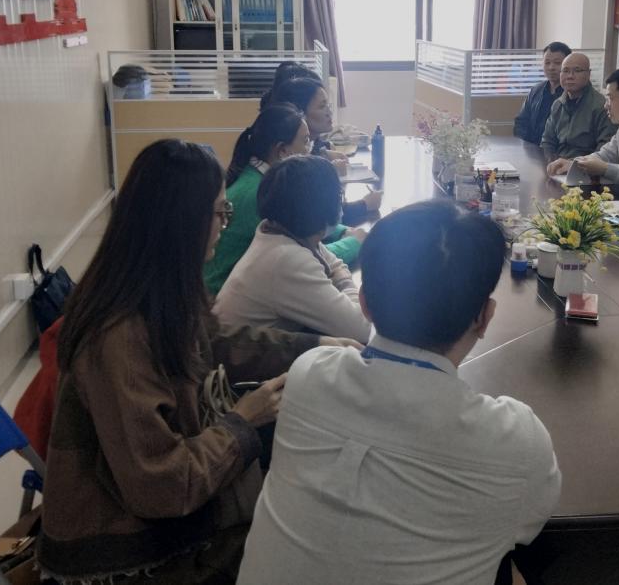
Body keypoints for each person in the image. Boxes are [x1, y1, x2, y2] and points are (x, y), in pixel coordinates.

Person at [37, 140, 358, 584]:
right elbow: (162, 487)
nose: (226, 224)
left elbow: (219, 341)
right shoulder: (118, 337)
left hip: (157, 512)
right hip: (127, 551)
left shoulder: (155, 291)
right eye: (220, 213)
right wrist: (242, 422)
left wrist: (313, 344)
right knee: (311, 540)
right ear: (182, 222)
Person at [236, 201, 561, 585]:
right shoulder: (516, 441)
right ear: (485, 317)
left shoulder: (310, 374)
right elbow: (529, 524)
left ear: (364, 304)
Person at [203, 104, 365, 294]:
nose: (310, 150)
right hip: (223, 295)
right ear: (282, 151)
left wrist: (343, 231)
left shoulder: (262, 179)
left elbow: (302, 227)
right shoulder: (258, 194)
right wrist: (354, 242)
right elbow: (300, 257)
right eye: (306, 141)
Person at [215, 155, 373, 344]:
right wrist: (346, 282)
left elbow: (334, 265)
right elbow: (362, 329)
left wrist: (339, 275)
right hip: (239, 360)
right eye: (339, 196)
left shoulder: (279, 230)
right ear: (324, 208)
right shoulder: (286, 259)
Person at [269, 76, 382, 223]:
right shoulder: (288, 168)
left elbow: (317, 146)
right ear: (300, 113)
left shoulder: (306, 145)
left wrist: (324, 152)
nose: (329, 112)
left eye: (328, 105)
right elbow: (316, 217)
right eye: (322, 107)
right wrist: (364, 205)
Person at [541, 51, 617, 164]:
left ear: (589, 74)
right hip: (558, 166)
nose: (570, 76)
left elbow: (605, 150)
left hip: (586, 168)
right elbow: (547, 141)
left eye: (577, 70)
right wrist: (551, 163)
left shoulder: (601, 106)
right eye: (565, 71)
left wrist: (573, 166)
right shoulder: (558, 104)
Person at [514, 41, 570, 145]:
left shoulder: (572, 93)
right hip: (531, 148)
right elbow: (521, 122)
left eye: (557, 63)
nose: (551, 67)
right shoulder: (536, 90)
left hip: (557, 151)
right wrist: (527, 146)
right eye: (547, 63)